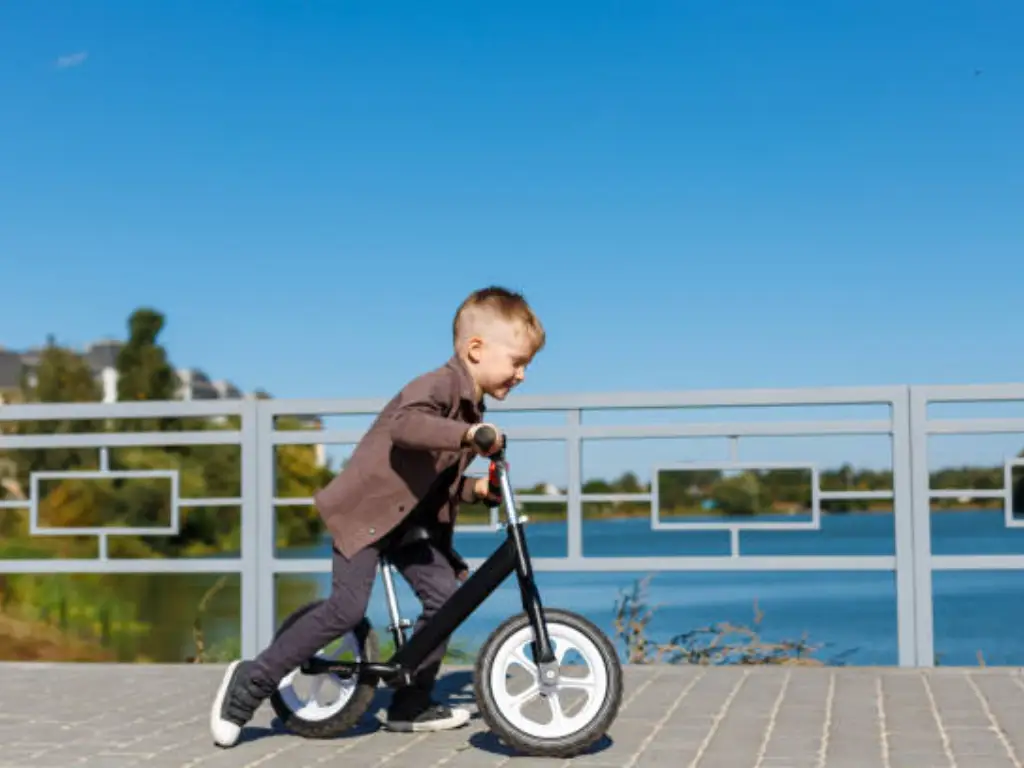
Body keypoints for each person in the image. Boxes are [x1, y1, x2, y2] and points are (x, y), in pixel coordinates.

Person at [210, 286, 545, 747]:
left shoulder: (472, 405)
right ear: (475, 349)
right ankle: (251, 681)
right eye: (517, 361)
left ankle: (409, 703)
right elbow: (407, 427)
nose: (522, 374)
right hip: (364, 514)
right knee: (346, 608)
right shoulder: (438, 384)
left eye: (527, 365)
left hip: (406, 523)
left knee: (445, 599)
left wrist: (473, 488)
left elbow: (431, 481)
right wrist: (469, 434)